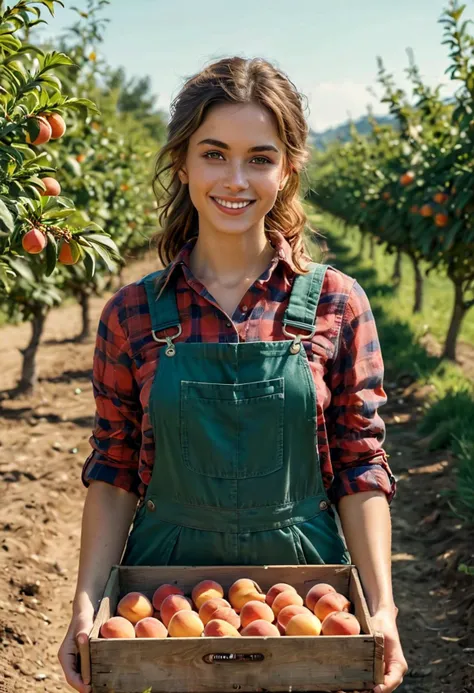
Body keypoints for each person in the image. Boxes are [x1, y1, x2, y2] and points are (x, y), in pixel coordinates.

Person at [58, 56, 407, 693]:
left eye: (260, 157)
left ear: (288, 168)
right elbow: (112, 469)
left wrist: (380, 605)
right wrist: (87, 600)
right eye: (214, 153)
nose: (236, 179)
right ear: (183, 162)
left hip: (306, 585)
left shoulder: (335, 302)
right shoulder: (134, 314)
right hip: (161, 588)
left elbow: (360, 464)